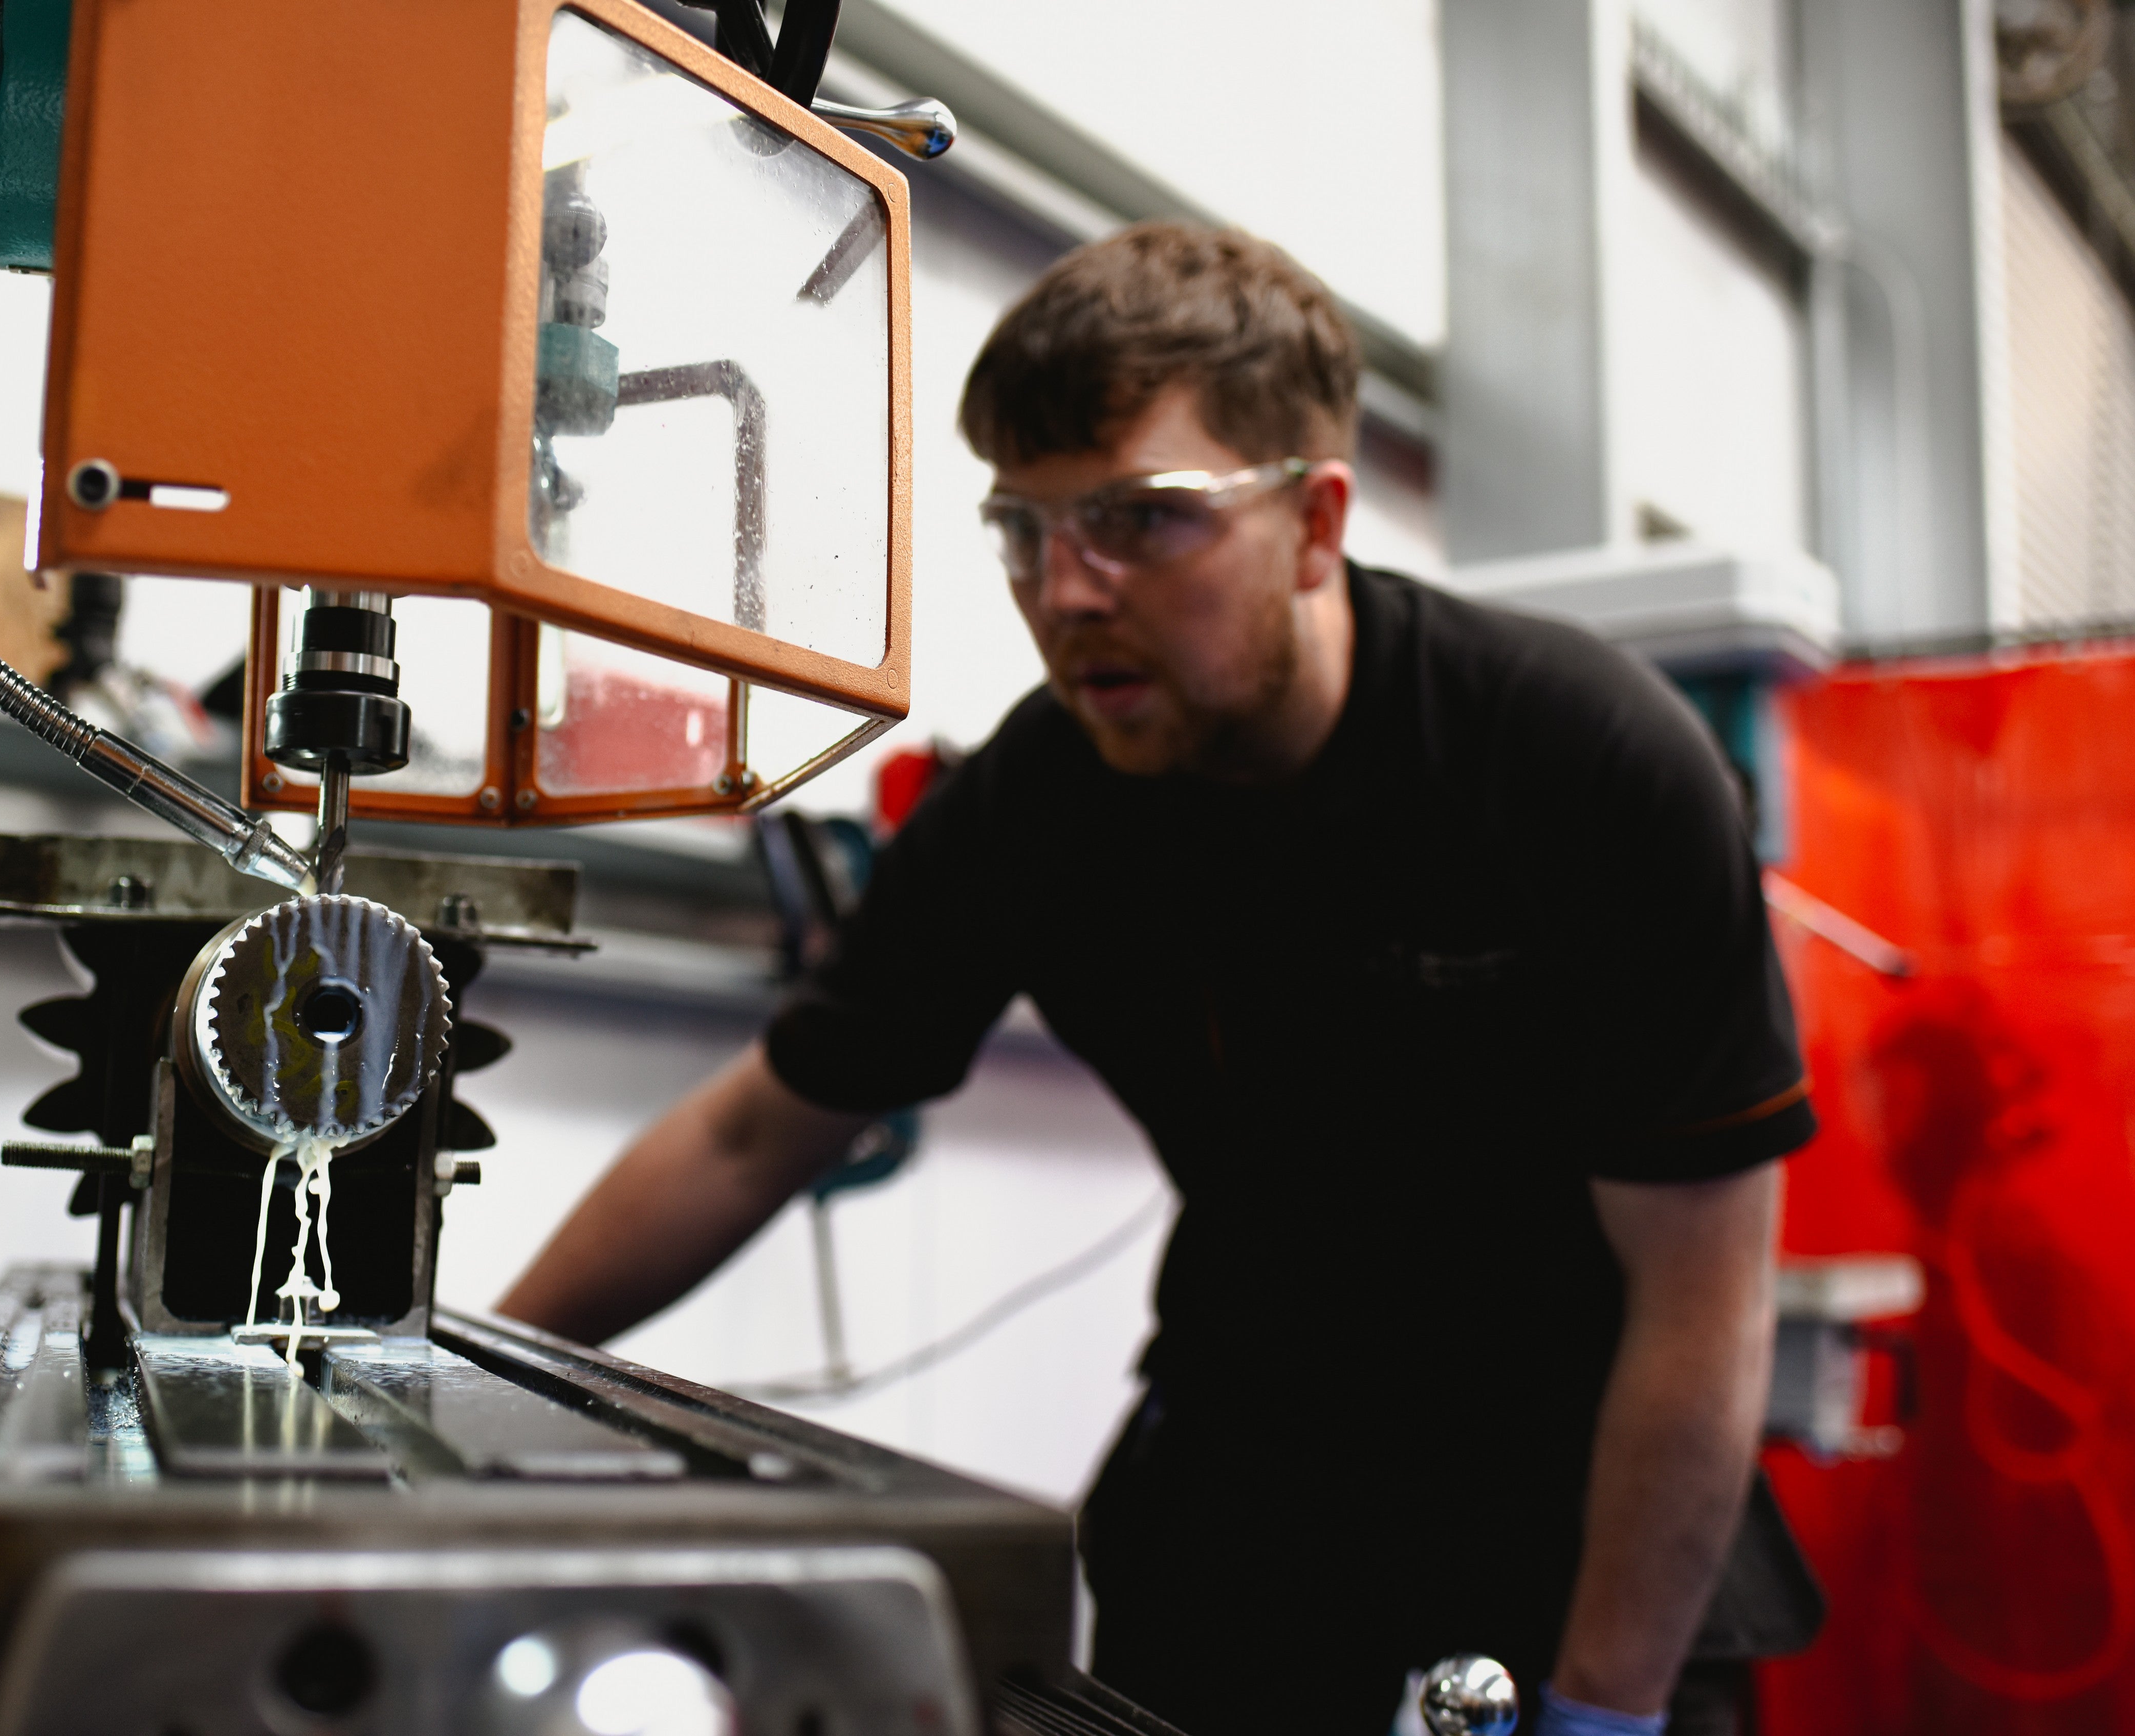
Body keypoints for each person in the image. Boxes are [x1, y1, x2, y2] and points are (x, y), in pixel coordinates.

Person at [498, 222, 1813, 1736]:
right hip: (1248, 1496)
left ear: (1315, 521)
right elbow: (754, 1132)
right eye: (1023, 530)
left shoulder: (1578, 765)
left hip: (1584, 1513)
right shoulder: (1037, 805)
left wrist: (1604, 1708)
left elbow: (1702, 1301)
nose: (1066, 590)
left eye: (1140, 519)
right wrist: (450, 1385)